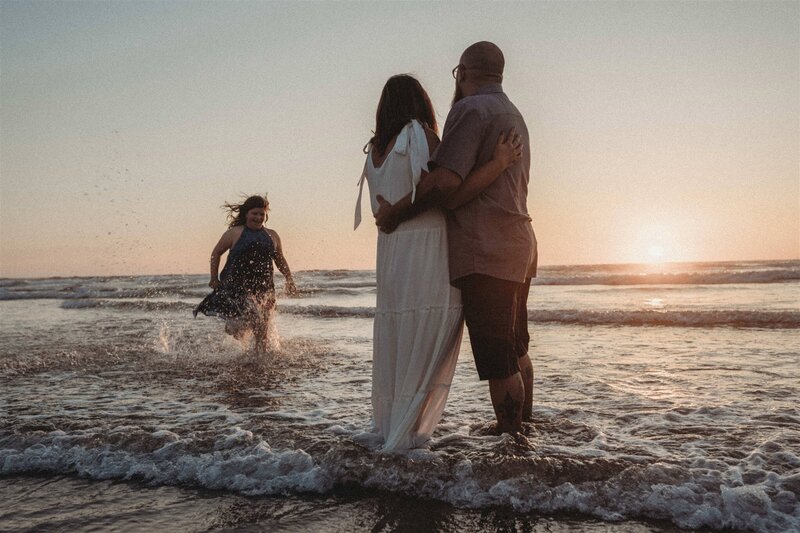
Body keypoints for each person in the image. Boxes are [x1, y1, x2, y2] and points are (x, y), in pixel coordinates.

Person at [375, 42, 538, 435]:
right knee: (516, 348)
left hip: (486, 251)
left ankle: (513, 445)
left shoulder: (469, 110)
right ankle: (524, 433)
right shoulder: (512, 113)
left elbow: (445, 184)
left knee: (497, 360)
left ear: (462, 72)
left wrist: (395, 213)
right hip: (519, 243)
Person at [194, 194, 297, 351]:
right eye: (254, 213)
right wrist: (213, 278)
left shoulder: (272, 235)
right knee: (254, 320)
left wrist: (289, 279)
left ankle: (259, 358)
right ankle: (241, 337)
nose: (258, 217)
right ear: (246, 214)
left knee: (264, 327)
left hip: (265, 287)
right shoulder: (235, 233)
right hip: (237, 285)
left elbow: (280, 259)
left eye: (261, 214)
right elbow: (216, 253)